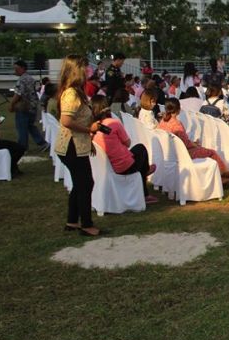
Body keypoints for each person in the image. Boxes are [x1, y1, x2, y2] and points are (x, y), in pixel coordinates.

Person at [55, 55, 102, 237]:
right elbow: (66, 120)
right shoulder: (71, 94)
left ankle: (72, 221)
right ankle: (86, 225)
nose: (88, 71)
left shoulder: (75, 91)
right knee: (85, 184)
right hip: (71, 145)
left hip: (78, 144)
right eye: (85, 68)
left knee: (79, 183)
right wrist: (88, 129)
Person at [90, 96, 158, 204]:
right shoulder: (113, 123)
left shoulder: (91, 128)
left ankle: (145, 172)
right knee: (141, 149)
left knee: (138, 150)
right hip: (124, 166)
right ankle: (145, 187)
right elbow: (128, 143)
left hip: (108, 165)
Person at [158, 98, 229, 182]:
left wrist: (193, 144)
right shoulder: (177, 124)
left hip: (169, 153)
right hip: (182, 153)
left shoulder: (162, 122)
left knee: (202, 149)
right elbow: (185, 144)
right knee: (212, 152)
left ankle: (222, 175)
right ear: (178, 109)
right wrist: (195, 144)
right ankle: (225, 173)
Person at [10, 60, 49, 151]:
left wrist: (11, 104)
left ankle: (22, 147)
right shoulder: (31, 78)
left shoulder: (21, 80)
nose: (15, 70)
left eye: (16, 68)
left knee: (22, 127)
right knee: (30, 126)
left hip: (24, 107)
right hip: (33, 106)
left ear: (23, 68)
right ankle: (42, 143)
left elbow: (18, 94)